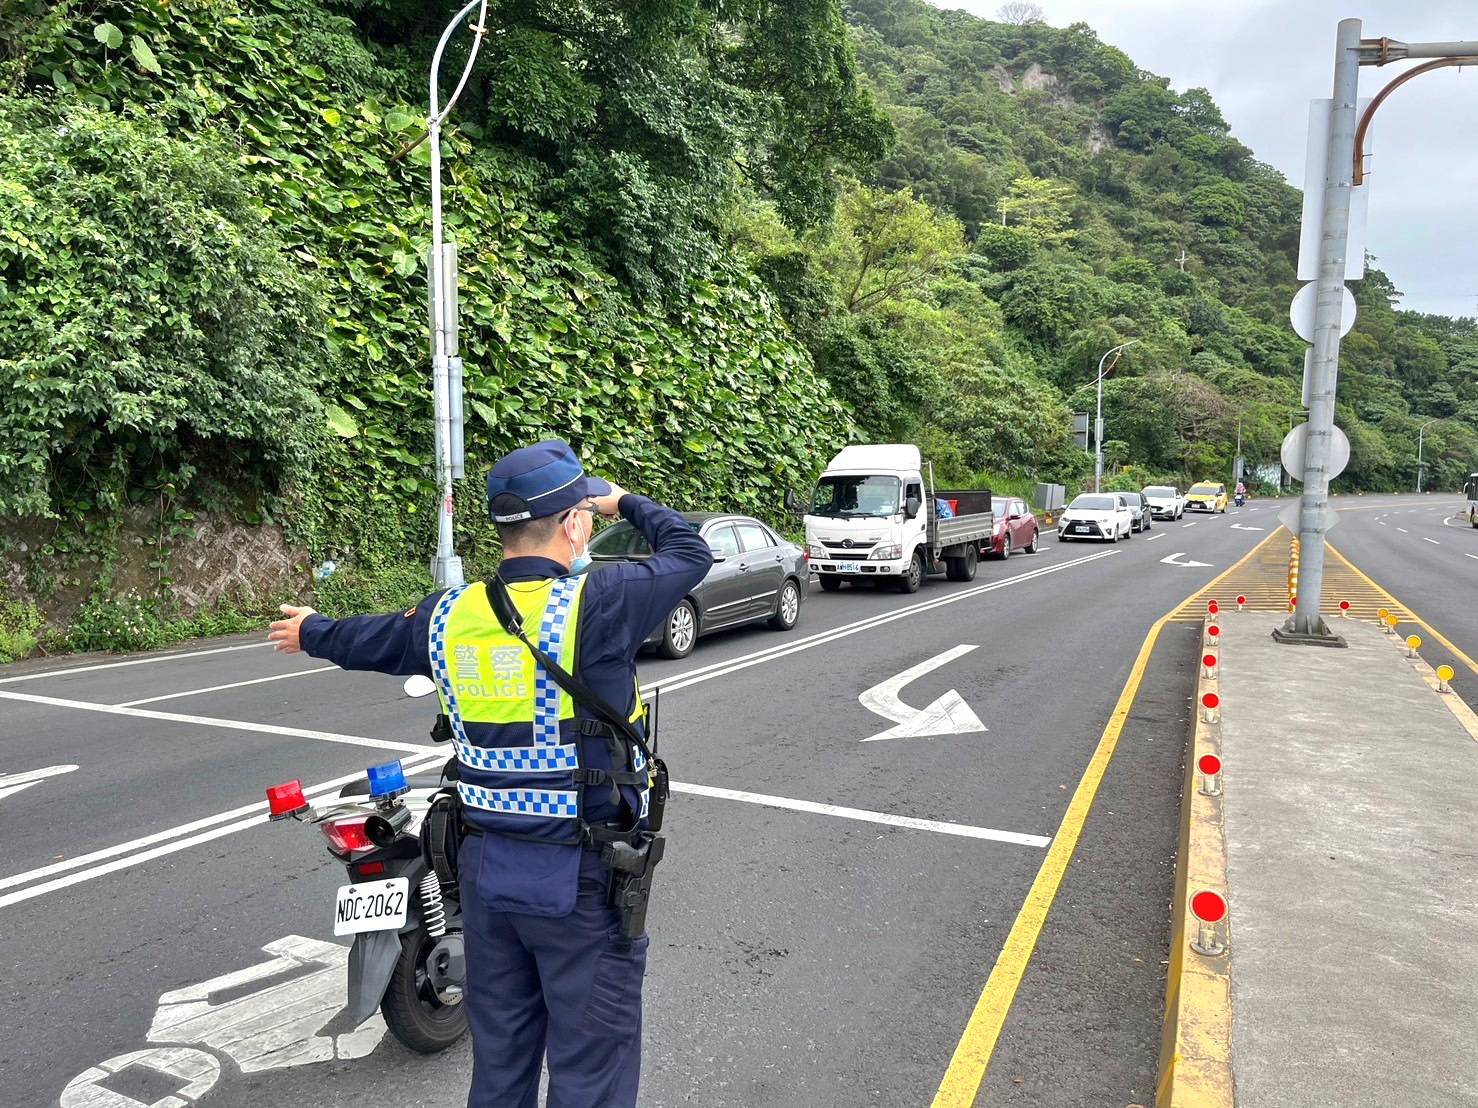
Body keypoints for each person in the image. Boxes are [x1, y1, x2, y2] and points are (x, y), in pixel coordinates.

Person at [267, 440, 712, 1108]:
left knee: (500, 1062)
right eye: (585, 513)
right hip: (581, 877)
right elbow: (690, 552)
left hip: (484, 874)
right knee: (591, 1068)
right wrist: (621, 499)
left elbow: (373, 637)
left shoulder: (449, 614)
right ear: (574, 523)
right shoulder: (604, 599)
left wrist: (312, 630)